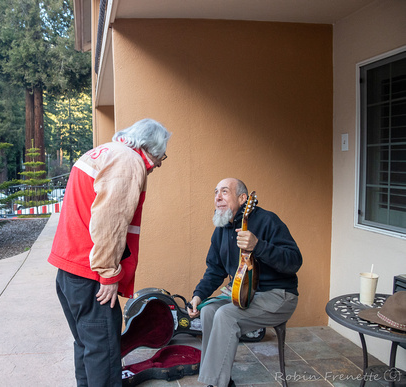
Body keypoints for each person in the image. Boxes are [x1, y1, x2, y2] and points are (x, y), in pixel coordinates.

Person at [48, 118, 171, 387]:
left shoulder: (104, 153)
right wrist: (108, 274)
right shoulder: (127, 162)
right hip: (91, 275)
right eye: (163, 153)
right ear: (151, 147)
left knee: (87, 348)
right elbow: (110, 221)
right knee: (103, 354)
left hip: (70, 271)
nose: (163, 160)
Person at [187, 178, 302, 387]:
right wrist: (198, 295)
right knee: (208, 311)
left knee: (225, 315)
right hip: (244, 293)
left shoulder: (267, 220)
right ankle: (219, 379)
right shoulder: (222, 227)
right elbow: (214, 269)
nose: (218, 198)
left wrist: (258, 245)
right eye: (215, 193)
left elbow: (294, 261)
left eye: (224, 192)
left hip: (278, 295)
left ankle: (217, 384)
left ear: (242, 198)